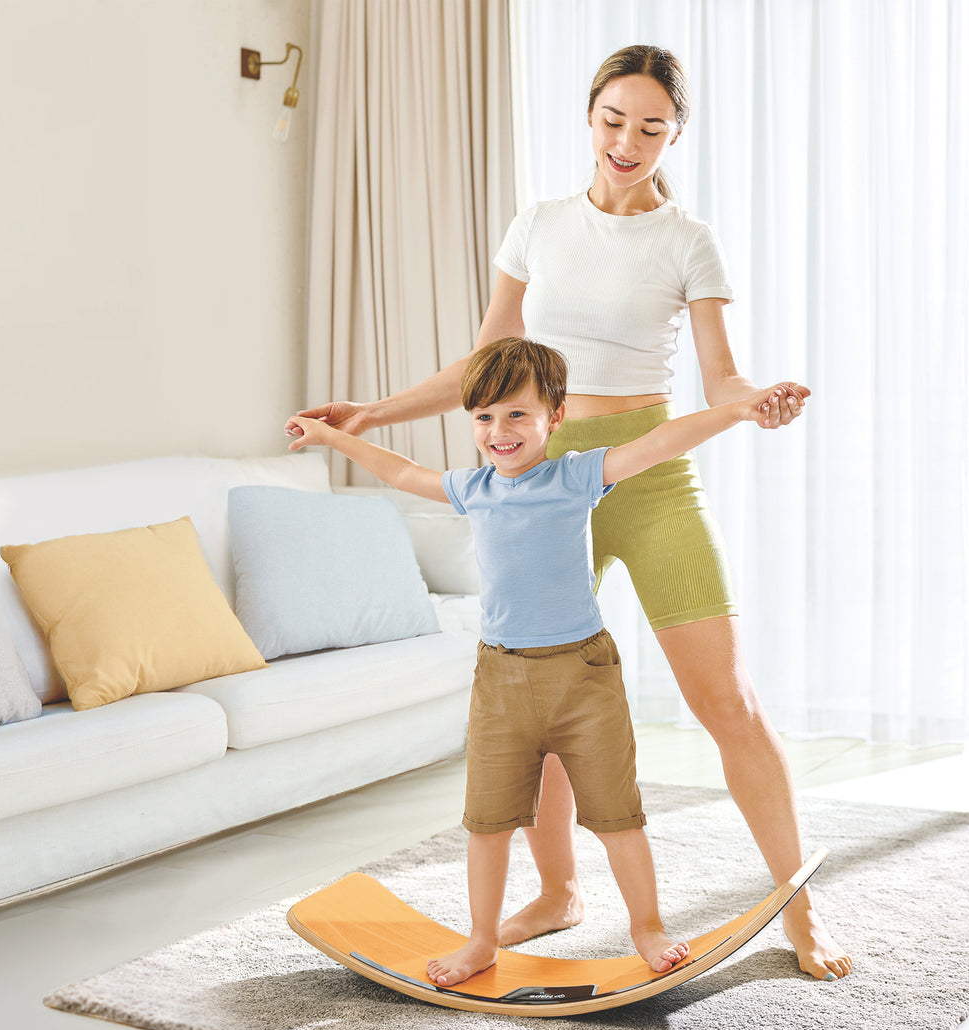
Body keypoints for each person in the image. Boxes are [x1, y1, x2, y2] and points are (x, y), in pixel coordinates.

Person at [288, 45, 852, 982]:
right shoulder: (540, 225)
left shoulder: (687, 240)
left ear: (675, 134)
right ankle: (556, 893)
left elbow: (721, 375)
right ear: (589, 118)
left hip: (648, 478)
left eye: (650, 127)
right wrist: (372, 413)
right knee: (542, 695)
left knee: (730, 702)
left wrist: (754, 403)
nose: (627, 141)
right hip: (543, 484)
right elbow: (486, 369)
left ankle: (799, 907)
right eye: (612, 120)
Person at [287, 336, 790, 987]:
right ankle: (480, 941)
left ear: (555, 418)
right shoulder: (473, 489)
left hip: (582, 675)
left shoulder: (576, 475)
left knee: (616, 815)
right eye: (485, 418)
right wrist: (334, 439)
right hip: (500, 679)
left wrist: (739, 411)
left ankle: (646, 925)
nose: (500, 431)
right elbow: (399, 472)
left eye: (517, 415)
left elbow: (660, 444)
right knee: (488, 823)